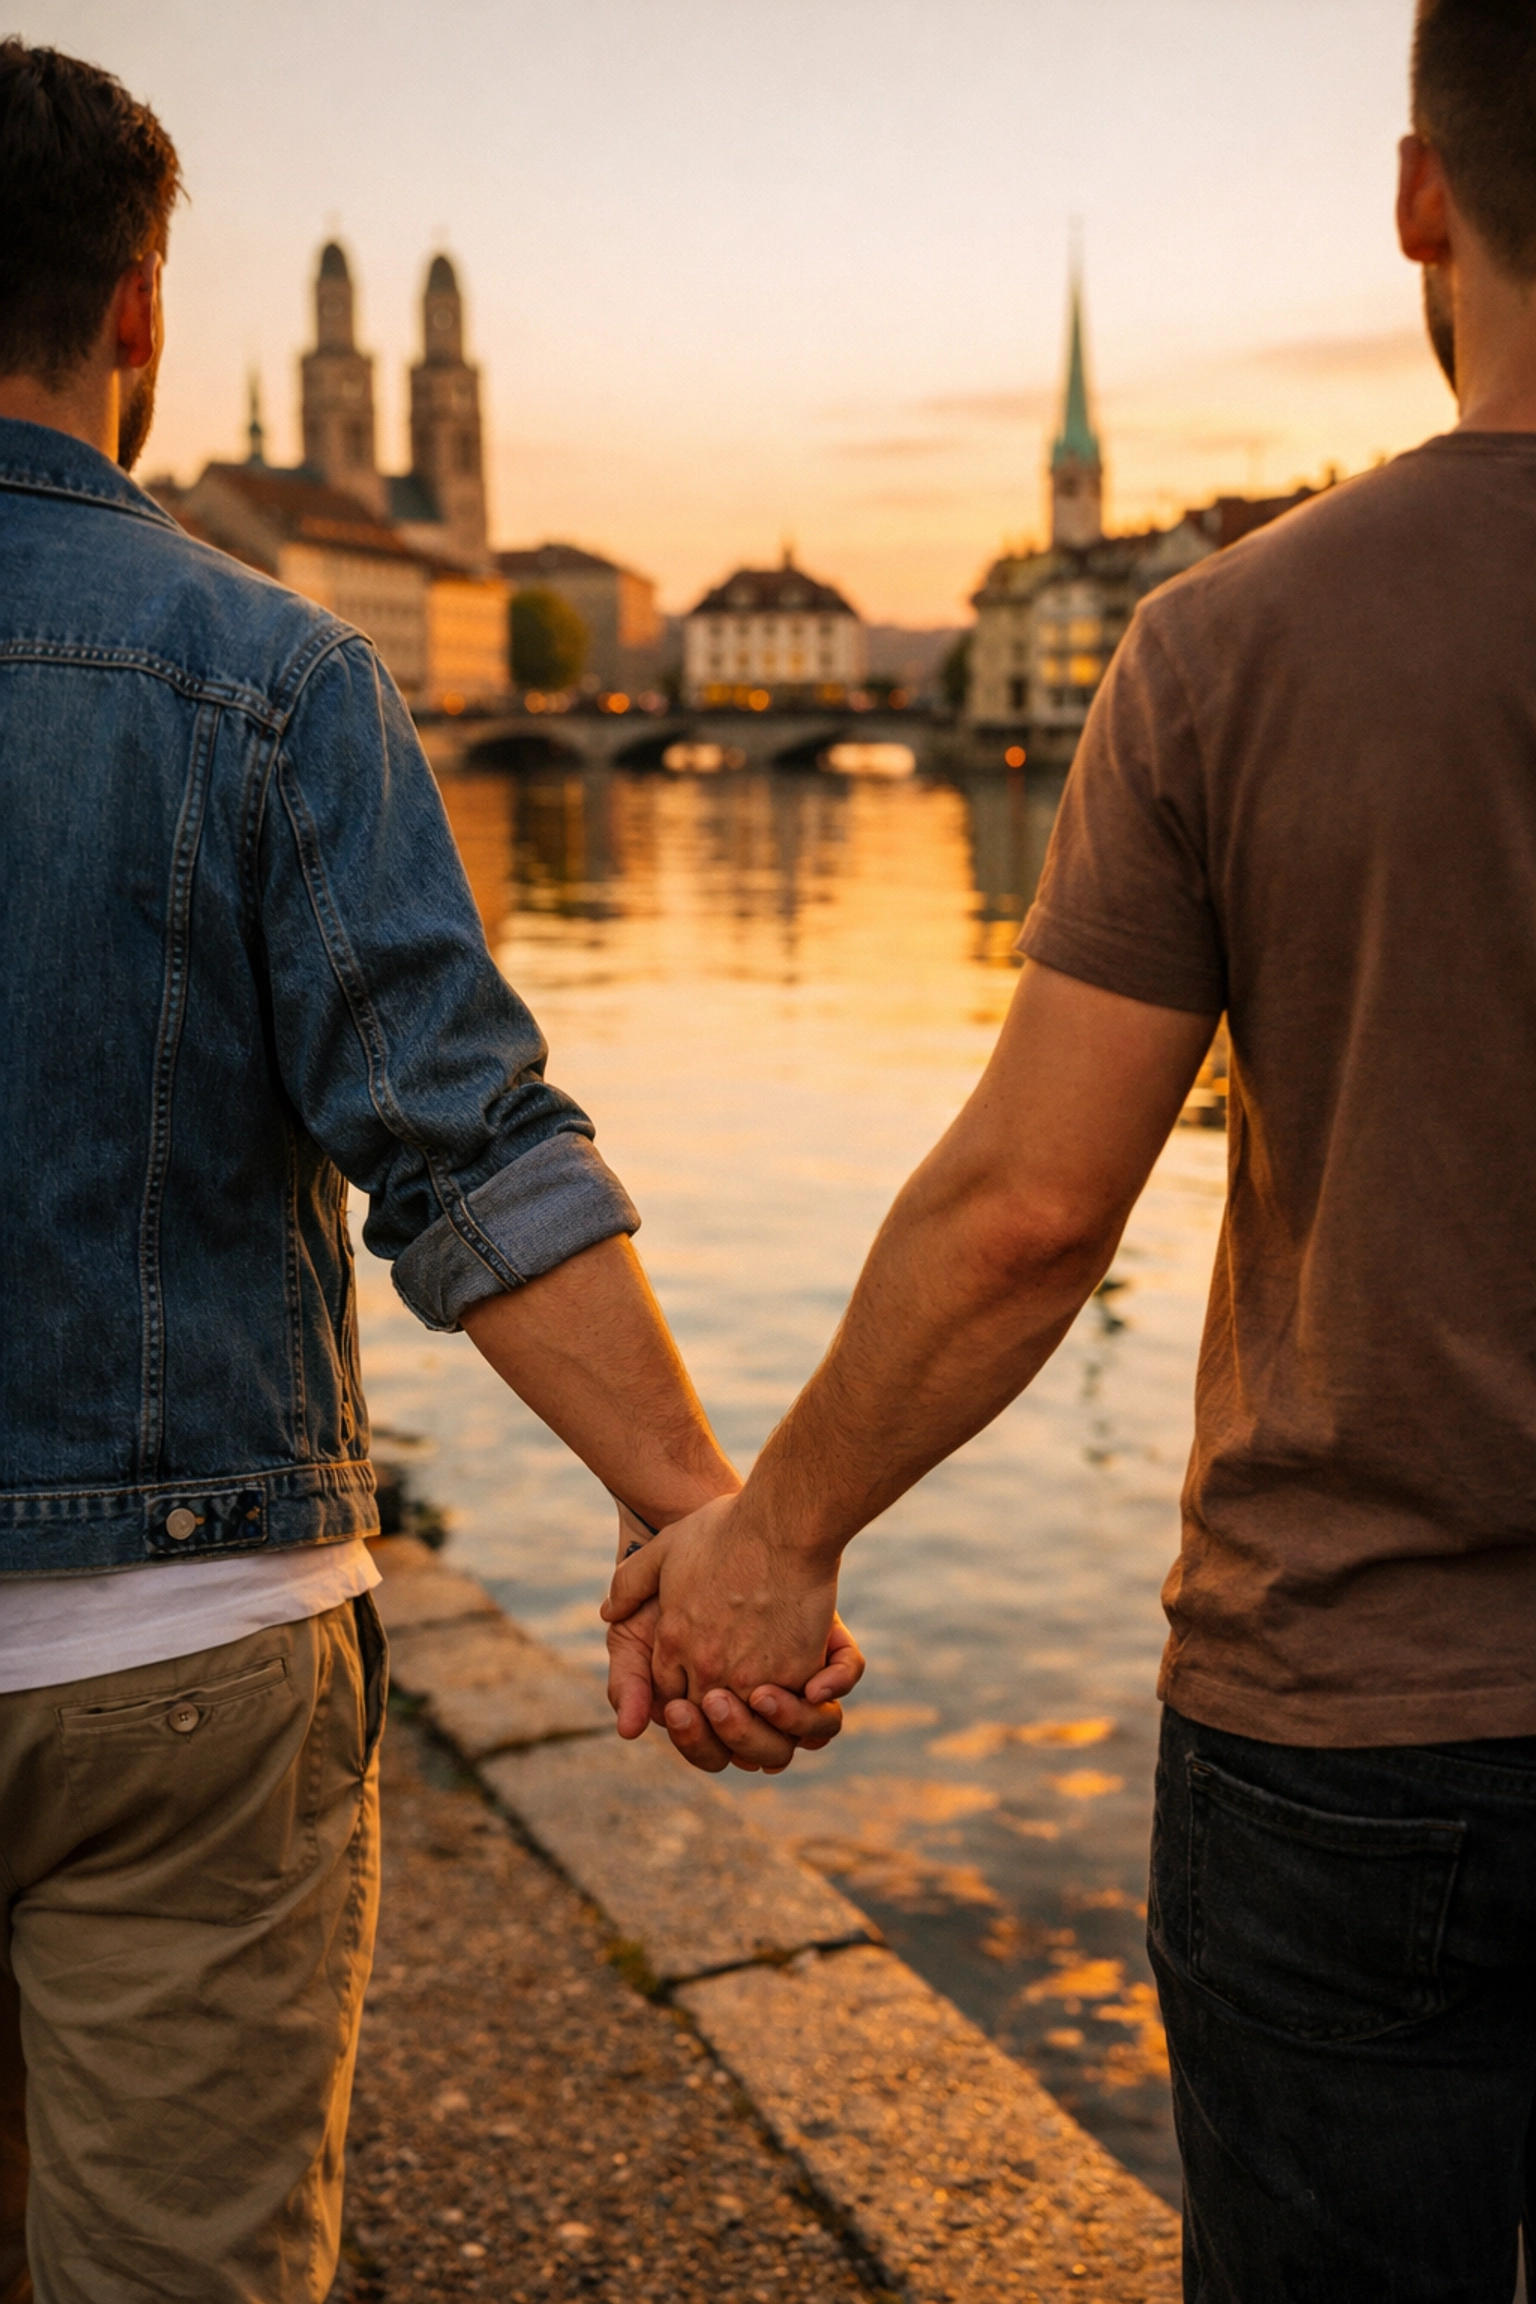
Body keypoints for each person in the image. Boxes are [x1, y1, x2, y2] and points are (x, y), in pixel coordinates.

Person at [606, 2, 1536, 2292]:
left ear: (1423, 195)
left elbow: (1035, 1213)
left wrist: (770, 1536)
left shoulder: (1234, 645)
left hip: (1368, 1725)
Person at [0, 40, 857, 2304]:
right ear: (148, 311)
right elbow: (463, 1142)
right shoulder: (268, 673)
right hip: (177, 1646)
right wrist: (702, 1513)